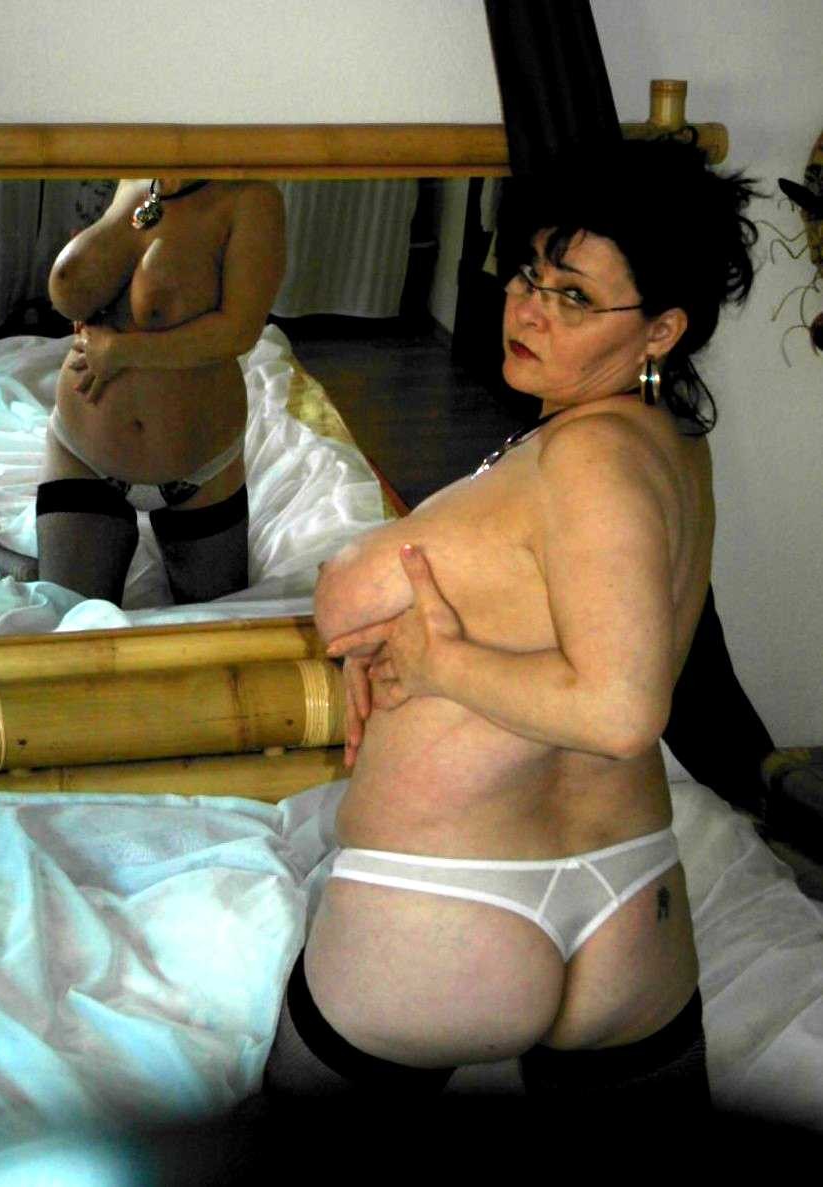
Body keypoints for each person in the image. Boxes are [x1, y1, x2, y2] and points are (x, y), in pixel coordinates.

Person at [263, 137, 759, 1115]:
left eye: (574, 296)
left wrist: (440, 662)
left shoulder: (589, 460)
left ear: (661, 329)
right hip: (628, 910)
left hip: (449, 901)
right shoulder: (664, 446)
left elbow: (622, 709)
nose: (527, 308)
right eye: (529, 274)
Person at [0, 177, 286, 605]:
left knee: (215, 615)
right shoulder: (132, 177)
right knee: (68, 606)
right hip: (83, 452)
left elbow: (239, 331)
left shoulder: (249, 197)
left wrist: (122, 351)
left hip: (199, 467)